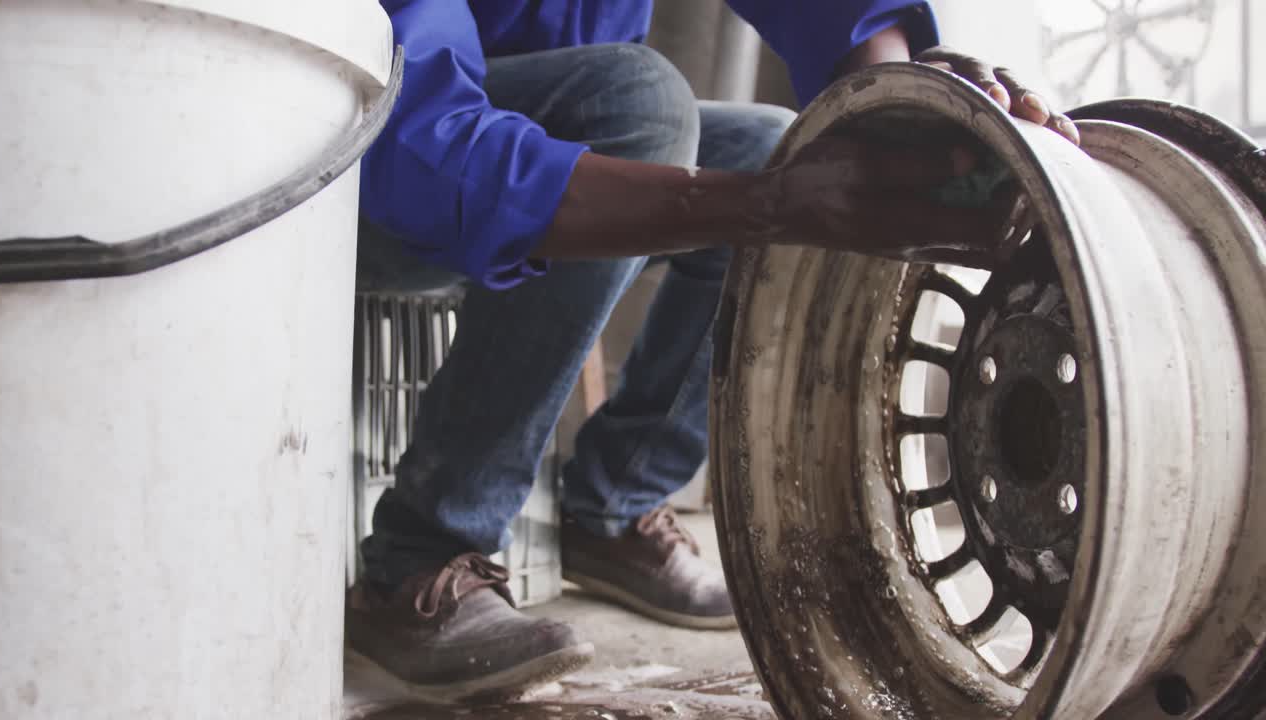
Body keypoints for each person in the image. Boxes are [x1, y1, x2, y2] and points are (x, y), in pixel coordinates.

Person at [345, 0, 1078, 704]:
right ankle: (418, 558)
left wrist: (901, 95)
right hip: (366, 165)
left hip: (536, 119)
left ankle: (611, 507)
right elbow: (419, 137)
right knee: (638, 100)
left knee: (764, 143)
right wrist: (766, 207)